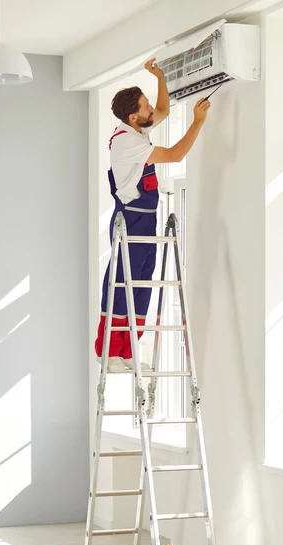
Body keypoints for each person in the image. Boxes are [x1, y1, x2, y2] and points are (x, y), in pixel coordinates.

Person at [95, 57, 211, 372]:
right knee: (123, 284)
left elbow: (164, 110)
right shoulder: (127, 142)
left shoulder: (138, 129)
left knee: (142, 284)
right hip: (130, 220)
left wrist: (159, 77)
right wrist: (198, 121)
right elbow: (174, 154)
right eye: (145, 107)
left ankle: (130, 352)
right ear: (134, 117)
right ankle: (110, 353)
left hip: (147, 217)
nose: (151, 111)